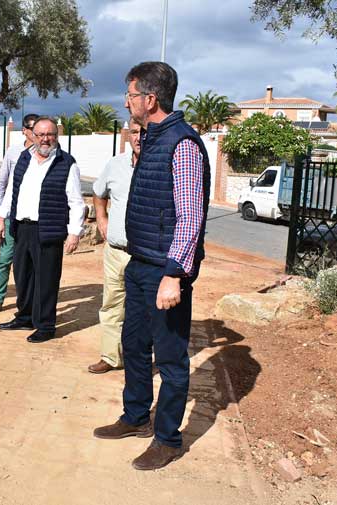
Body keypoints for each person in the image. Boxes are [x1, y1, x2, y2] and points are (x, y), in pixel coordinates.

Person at [93, 62, 210, 471]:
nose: (126, 103)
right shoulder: (153, 142)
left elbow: (190, 216)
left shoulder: (183, 144)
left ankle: (168, 439)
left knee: (172, 360)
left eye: (130, 96)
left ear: (149, 99)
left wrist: (174, 273)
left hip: (165, 272)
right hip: (139, 264)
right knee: (135, 346)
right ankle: (136, 416)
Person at [0, 117, 84, 343]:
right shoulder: (24, 158)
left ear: (57, 136)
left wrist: (74, 232)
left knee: (46, 280)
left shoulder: (67, 163)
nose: (46, 139)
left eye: (50, 134)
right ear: (32, 135)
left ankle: (45, 325)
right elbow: (12, 191)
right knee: (22, 276)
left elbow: (76, 201)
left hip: (48, 229)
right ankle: (24, 317)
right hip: (22, 228)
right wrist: (2, 218)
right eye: (41, 134)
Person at [87, 119, 142, 374]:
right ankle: (110, 357)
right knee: (111, 305)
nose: (138, 137)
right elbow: (99, 193)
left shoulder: (161, 165)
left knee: (143, 311)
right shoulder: (116, 164)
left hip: (145, 256)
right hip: (116, 251)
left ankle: (139, 361)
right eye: (134, 131)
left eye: (144, 131)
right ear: (128, 134)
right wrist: (102, 219)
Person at [0, 113, 39, 314]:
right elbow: (2, 182)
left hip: (33, 217)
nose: (37, 134)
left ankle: (28, 300)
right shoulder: (14, 152)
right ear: (24, 130)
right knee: (5, 257)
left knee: (29, 261)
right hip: (11, 215)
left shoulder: (45, 153)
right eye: (33, 129)